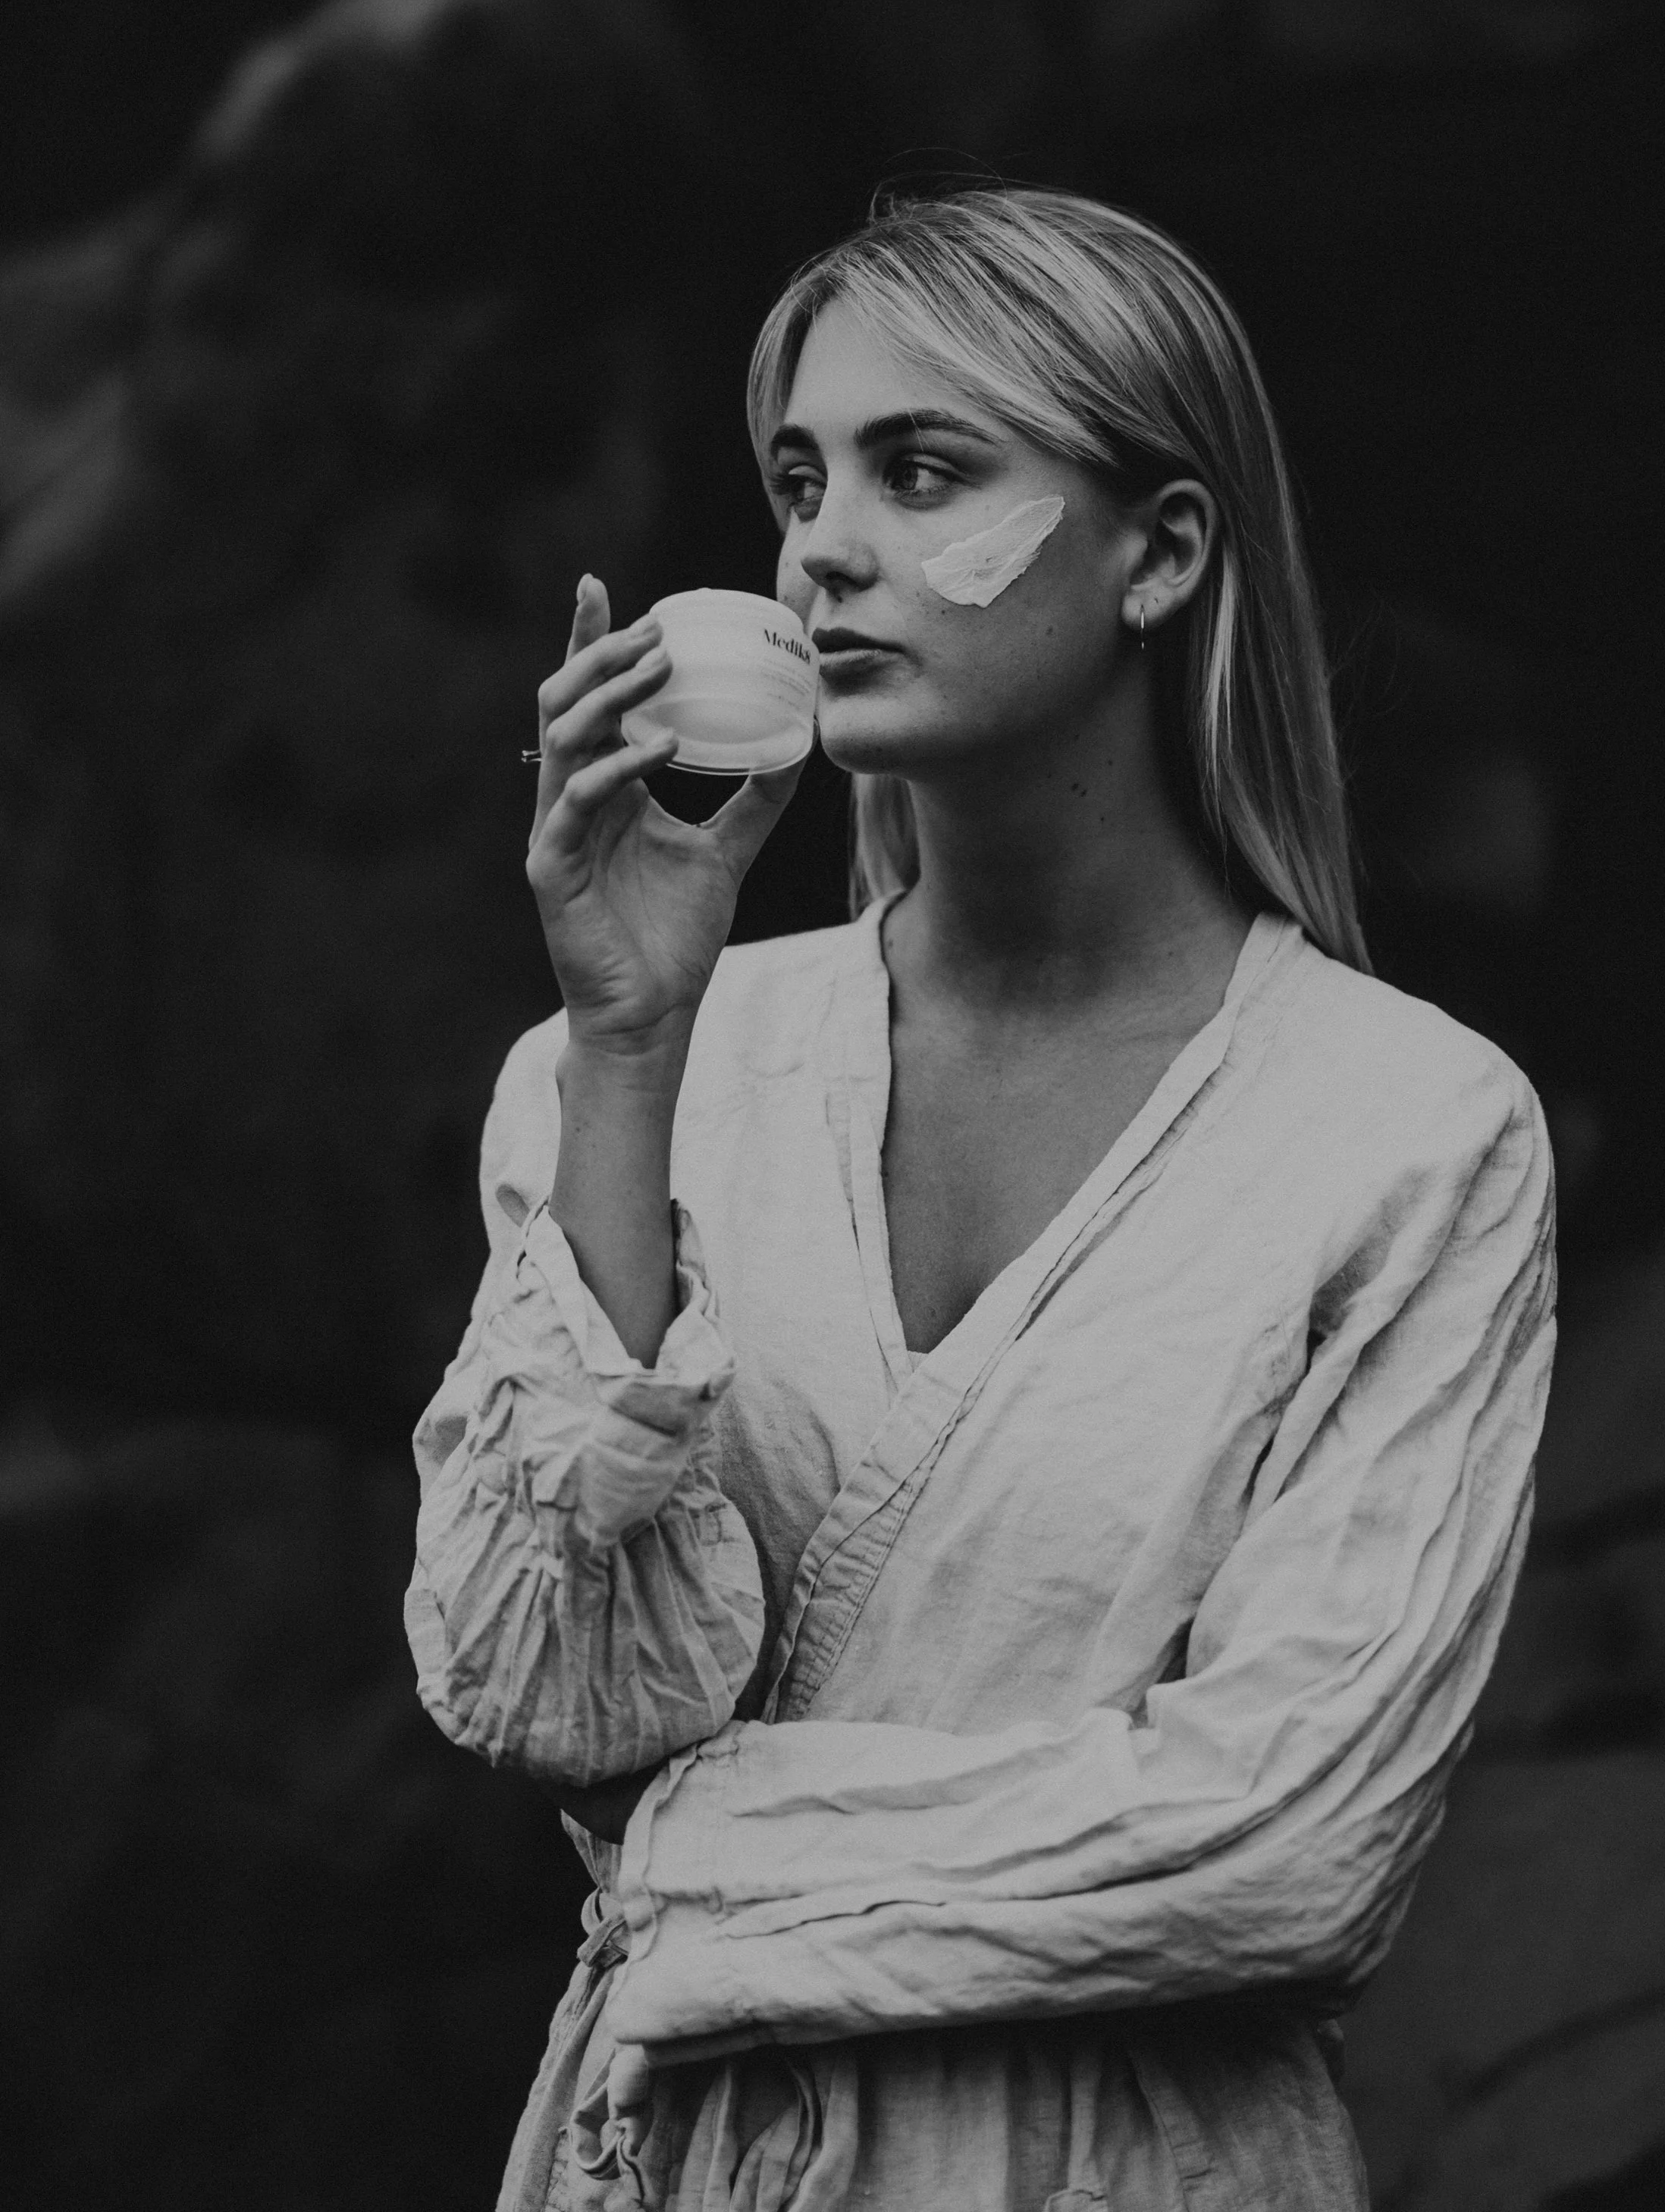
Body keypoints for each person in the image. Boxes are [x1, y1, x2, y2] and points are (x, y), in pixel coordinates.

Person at [406, 185, 1557, 2210]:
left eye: (921, 468)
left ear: (1160, 551)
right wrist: (621, 1045)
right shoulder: (644, 1070)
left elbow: (1285, 1840)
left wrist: (694, 1865)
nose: (819, 544)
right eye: (796, 476)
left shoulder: (1407, 1134)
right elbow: (560, 1700)